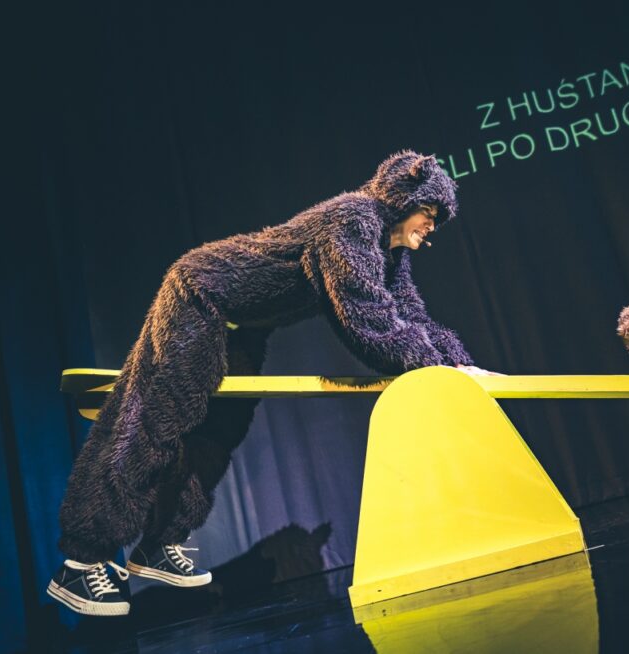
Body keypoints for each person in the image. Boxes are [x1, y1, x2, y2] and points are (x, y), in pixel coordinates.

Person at [47, 150, 495, 616]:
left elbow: (408, 313)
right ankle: (81, 559)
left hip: (243, 325)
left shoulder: (388, 249)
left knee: (220, 433)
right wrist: (435, 365)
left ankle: (159, 544)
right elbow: (365, 315)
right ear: (404, 197)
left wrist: (459, 366)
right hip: (201, 293)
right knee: (159, 419)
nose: (432, 227)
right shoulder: (354, 219)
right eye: (430, 213)